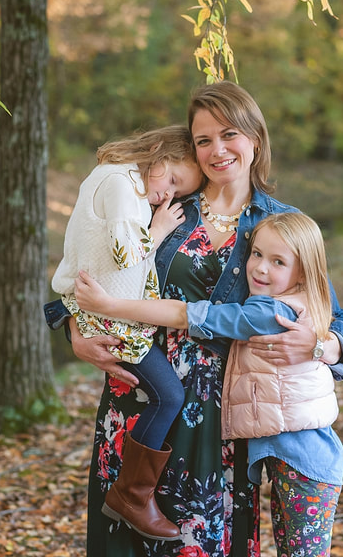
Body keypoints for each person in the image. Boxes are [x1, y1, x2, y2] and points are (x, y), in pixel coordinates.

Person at [44, 81, 343, 557]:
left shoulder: (278, 224)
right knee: (127, 538)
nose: (217, 150)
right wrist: (74, 330)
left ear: (255, 139)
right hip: (143, 395)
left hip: (218, 411)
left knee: (200, 539)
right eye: (203, 140)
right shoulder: (167, 203)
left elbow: (338, 320)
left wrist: (324, 348)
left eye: (229, 134)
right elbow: (98, 268)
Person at [74, 211, 343, 556]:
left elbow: (187, 315)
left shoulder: (270, 314)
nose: (260, 268)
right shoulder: (292, 300)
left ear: (302, 271)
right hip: (290, 458)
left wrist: (110, 305)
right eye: (256, 254)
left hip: (305, 462)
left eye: (278, 261)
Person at [50, 126, 202, 541]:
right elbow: (123, 254)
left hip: (107, 313)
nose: (165, 195)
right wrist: (160, 228)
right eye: (170, 180)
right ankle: (131, 495)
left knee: (163, 395)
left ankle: (131, 494)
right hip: (110, 320)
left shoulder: (125, 181)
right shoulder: (120, 182)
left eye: (177, 191)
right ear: (157, 151)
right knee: (168, 395)